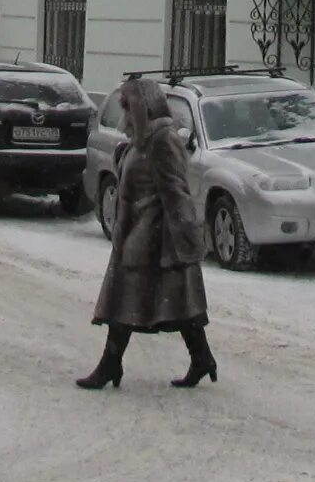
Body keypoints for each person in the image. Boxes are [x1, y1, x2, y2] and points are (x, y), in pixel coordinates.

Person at [80, 77, 218, 391]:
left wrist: (185, 239)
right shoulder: (139, 141)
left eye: (129, 108)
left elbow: (175, 191)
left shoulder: (161, 140)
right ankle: (201, 358)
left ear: (145, 108)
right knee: (173, 304)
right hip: (139, 235)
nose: (125, 115)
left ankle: (110, 365)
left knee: (129, 302)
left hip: (157, 238)